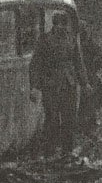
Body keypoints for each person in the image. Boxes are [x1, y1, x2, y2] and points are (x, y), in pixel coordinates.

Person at [30, 11, 93, 157]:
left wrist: (85, 83)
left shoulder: (71, 39)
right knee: (51, 119)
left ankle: (67, 152)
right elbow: (35, 64)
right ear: (54, 24)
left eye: (63, 24)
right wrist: (34, 87)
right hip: (51, 85)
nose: (61, 28)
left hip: (69, 84)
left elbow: (78, 62)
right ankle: (49, 153)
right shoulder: (45, 40)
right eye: (58, 24)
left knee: (69, 119)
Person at [77, 21, 102, 139]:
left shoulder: (89, 44)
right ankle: (83, 127)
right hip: (76, 75)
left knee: (89, 101)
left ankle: (90, 128)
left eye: (84, 30)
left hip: (88, 75)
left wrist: (94, 68)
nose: (83, 32)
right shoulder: (75, 43)